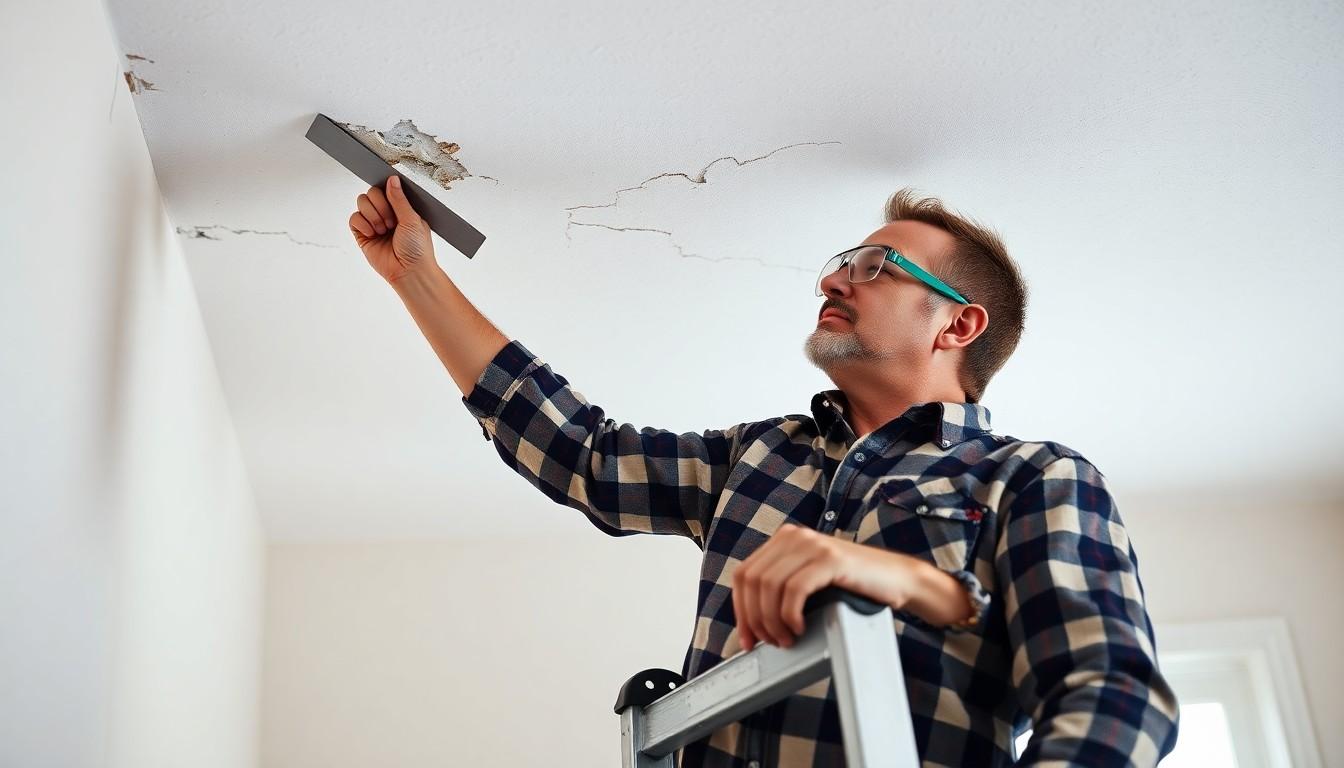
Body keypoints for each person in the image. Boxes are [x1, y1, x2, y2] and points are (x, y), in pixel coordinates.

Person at [348, 176, 1180, 766]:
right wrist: (416, 274)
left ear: (957, 325)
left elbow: (1111, 697)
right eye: (841, 261)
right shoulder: (758, 458)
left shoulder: (1030, 479)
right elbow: (584, 456)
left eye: (875, 266)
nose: (832, 277)